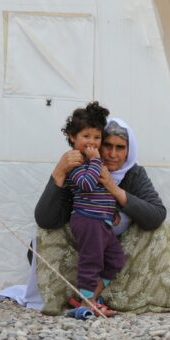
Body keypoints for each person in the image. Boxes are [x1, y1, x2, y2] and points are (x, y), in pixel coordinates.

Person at [33, 114, 170, 315]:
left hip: (118, 245)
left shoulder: (133, 173)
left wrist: (113, 188)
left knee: (160, 230)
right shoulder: (80, 169)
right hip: (85, 241)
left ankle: (95, 296)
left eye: (120, 148)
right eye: (107, 145)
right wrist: (58, 172)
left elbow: (156, 215)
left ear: (129, 151)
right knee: (76, 247)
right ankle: (81, 298)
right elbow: (45, 220)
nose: (112, 154)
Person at [61, 102, 124, 317]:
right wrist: (95, 160)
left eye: (97, 137)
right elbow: (86, 185)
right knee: (91, 262)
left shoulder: (94, 162)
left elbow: (103, 191)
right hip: (87, 220)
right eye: (86, 136)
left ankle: (87, 299)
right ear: (73, 137)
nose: (92, 142)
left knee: (115, 259)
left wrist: (111, 211)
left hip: (102, 221)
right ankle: (86, 306)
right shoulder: (76, 162)